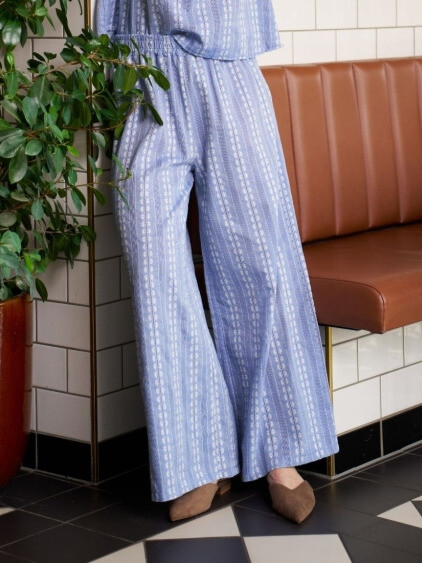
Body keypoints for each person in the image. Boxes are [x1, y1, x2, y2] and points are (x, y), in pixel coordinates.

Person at [95, 0, 339, 524]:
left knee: (260, 265)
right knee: (155, 272)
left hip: (227, 66)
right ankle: (198, 458)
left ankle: (278, 453)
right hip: (143, 72)